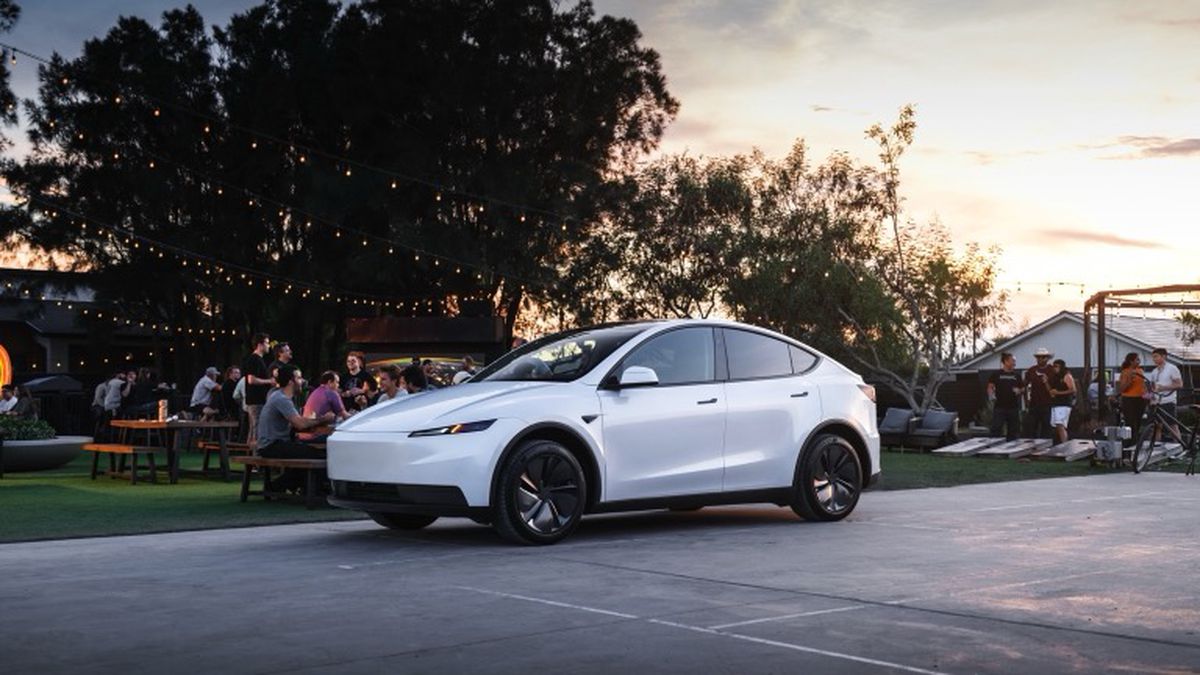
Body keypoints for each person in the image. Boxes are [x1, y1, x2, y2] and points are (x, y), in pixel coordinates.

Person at [257, 364, 335, 491]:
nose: (302, 381)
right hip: (271, 445)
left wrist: (315, 422)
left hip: (272, 443)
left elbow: (298, 423)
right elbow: (300, 424)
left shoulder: (279, 396)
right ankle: (316, 490)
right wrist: (323, 419)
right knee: (315, 454)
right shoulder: (282, 399)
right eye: (299, 378)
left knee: (310, 453)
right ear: (290, 382)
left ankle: (283, 486)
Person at [241, 333, 274, 445]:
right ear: (260, 345)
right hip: (256, 401)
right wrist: (269, 381)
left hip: (257, 401)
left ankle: (250, 460)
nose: (269, 346)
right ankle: (255, 458)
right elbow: (251, 379)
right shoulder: (254, 359)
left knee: (254, 430)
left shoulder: (258, 360)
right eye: (267, 343)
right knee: (257, 429)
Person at [300, 371, 352, 441]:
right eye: (337, 382)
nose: (338, 385)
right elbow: (345, 416)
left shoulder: (315, 391)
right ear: (330, 382)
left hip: (306, 433)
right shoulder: (332, 393)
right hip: (316, 435)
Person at [1148, 347, 1183, 442]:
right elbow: (1152, 388)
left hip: (1168, 401)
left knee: (1172, 426)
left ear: (1163, 356)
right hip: (1156, 403)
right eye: (1153, 357)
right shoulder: (1154, 371)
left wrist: (1163, 388)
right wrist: (1150, 398)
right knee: (1156, 427)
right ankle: (1155, 449)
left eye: (1156, 356)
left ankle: (1179, 446)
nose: (1154, 359)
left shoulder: (1172, 368)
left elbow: (1179, 384)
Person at [986, 352, 1023, 441]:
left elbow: (1023, 389)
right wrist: (991, 395)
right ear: (1006, 362)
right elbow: (990, 387)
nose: (1014, 363)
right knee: (996, 428)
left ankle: (1012, 448)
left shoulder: (1017, 376)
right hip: (1000, 407)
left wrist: (1019, 390)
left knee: (1013, 430)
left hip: (1013, 407)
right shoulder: (996, 374)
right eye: (1012, 361)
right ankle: (993, 448)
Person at [1023, 347, 1055, 439]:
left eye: (1043, 357)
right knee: (1032, 428)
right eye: (1038, 357)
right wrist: (1026, 402)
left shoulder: (1052, 370)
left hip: (1048, 404)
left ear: (1048, 358)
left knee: (1046, 429)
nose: (1040, 359)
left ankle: (1045, 449)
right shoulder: (1031, 370)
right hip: (1034, 404)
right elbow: (1024, 385)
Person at [1117, 352, 1147, 446]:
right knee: (1130, 421)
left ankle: (1136, 441)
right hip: (1128, 399)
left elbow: (1144, 386)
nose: (1139, 361)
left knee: (1138, 421)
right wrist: (1129, 380)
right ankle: (1129, 443)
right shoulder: (1125, 371)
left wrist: (1149, 397)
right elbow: (1121, 389)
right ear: (1131, 361)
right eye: (1137, 359)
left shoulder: (1140, 371)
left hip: (1141, 399)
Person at [1047, 359, 1076, 444]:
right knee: (1057, 425)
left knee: (1060, 425)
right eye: (1054, 366)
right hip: (1056, 403)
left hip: (1064, 404)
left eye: (1056, 366)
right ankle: (1062, 442)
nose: (1054, 368)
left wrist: (1058, 393)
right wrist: (1046, 382)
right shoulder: (1055, 377)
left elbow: (1073, 390)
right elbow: (1051, 391)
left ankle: (1065, 443)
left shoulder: (1067, 376)